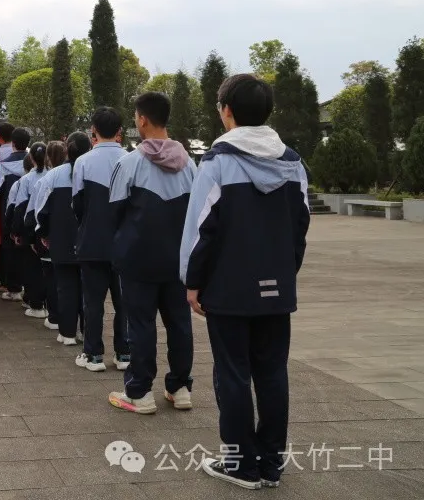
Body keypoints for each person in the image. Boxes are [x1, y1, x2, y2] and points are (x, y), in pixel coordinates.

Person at [181, 74, 309, 490]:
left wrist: (192, 281)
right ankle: (271, 464)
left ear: (227, 111)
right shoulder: (293, 162)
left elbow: (201, 230)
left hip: (229, 289)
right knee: (273, 372)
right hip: (277, 289)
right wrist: (285, 273)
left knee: (232, 374)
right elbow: (299, 226)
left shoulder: (217, 162)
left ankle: (240, 464)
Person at [107, 92, 196, 415]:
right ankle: (180, 387)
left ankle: (140, 392)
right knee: (180, 324)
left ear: (142, 119)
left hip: (138, 260)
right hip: (178, 261)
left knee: (141, 325)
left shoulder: (129, 163)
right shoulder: (191, 165)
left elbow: (114, 214)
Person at [72, 107, 129, 372]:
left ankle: (93, 354)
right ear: (120, 132)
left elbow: (77, 206)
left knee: (92, 302)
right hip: (124, 245)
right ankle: (124, 352)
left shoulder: (83, 162)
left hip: (92, 242)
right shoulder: (132, 159)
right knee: (124, 302)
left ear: (92, 130)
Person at [31, 133, 89, 346]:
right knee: (88, 291)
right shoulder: (93, 173)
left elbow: (41, 211)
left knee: (65, 288)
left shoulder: (53, 176)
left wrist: (44, 234)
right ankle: (87, 331)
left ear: (67, 150)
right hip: (88, 241)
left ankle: (67, 333)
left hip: (61, 241)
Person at [22, 142, 65, 333]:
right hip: (74, 239)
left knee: (52, 277)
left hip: (50, 238)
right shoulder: (77, 175)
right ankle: (72, 324)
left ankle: (55, 316)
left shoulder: (45, 180)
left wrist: (37, 237)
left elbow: (35, 212)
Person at [0, 127, 29, 301]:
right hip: (31, 213)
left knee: (10, 249)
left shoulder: (4, 166)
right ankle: (30, 286)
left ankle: (14, 288)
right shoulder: (35, 163)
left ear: (13, 144)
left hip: (9, 213)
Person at [6, 145, 49, 318]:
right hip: (49, 229)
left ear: (31, 159)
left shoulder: (25, 181)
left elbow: (17, 208)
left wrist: (16, 232)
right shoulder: (52, 175)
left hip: (30, 229)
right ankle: (46, 303)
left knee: (32, 268)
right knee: (47, 269)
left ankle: (35, 304)